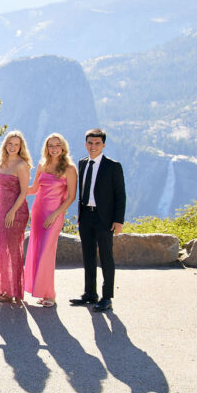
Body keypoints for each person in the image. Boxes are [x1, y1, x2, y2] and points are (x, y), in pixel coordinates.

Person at [72, 128, 126, 312]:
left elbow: (121, 195)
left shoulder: (113, 166)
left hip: (105, 218)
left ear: (103, 145)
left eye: (97, 143)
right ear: (85, 144)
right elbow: (80, 192)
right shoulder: (81, 163)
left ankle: (107, 297)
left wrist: (118, 221)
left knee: (106, 257)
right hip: (86, 216)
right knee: (87, 256)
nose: (93, 146)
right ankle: (90, 294)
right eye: (90, 143)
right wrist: (80, 216)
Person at [24, 133, 77, 307]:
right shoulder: (42, 165)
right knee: (37, 250)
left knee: (47, 251)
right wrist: (14, 186)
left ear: (63, 147)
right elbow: (33, 189)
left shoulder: (69, 168)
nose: (54, 149)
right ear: (46, 148)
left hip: (55, 214)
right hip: (38, 212)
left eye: (57, 145)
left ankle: (50, 294)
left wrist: (55, 214)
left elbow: (71, 197)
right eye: (50, 145)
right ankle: (41, 291)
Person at [0, 131, 32, 305]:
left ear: (21, 147)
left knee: (13, 249)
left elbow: (24, 192)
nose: (13, 147)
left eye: (16, 144)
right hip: (2, 209)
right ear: (5, 145)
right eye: (10, 144)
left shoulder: (22, 165)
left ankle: (11, 290)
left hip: (17, 210)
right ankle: (0, 287)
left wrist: (13, 211)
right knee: (0, 246)